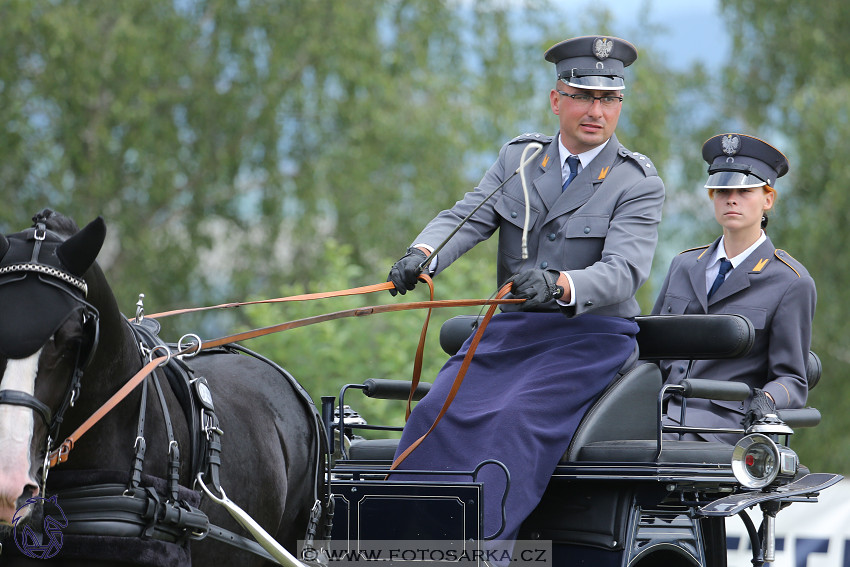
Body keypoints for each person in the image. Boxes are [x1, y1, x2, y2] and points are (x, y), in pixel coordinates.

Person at [385, 35, 665, 545]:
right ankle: (400, 548)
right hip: (509, 332)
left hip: (588, 338)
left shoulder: (636, 182)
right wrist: (422, 257)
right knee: (434, 413)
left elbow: (625, 271)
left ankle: (478, 551)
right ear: (557, 99)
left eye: (608, 99)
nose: (595, 110)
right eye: (582, 95)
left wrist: (561, 285)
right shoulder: (519, 160)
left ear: (620, 105)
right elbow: (464, 218)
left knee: (512, 422)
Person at [652, 133, 816, 444]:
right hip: (656, 416)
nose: (731, 198)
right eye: (723, 190)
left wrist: (768, 400)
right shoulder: (684, 266)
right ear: (712, 196)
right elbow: (649, 353)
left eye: (745, 190)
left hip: (721, 429)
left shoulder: (790, 281)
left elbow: (793, 379)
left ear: (768, 199)